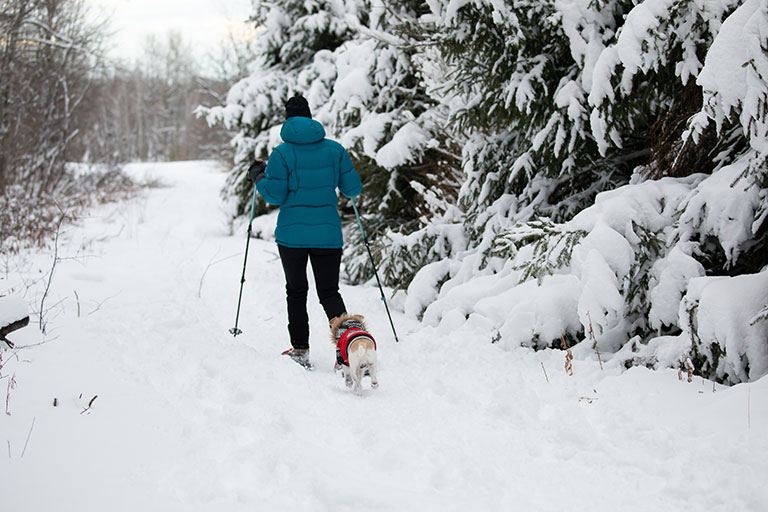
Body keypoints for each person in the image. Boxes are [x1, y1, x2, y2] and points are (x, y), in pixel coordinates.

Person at [248, 95, 362, 368]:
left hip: (292, 236)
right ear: (311, 118)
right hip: (327, 234)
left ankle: (300, 352)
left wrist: (258, 177)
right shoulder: (334, 150)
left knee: (296, 291)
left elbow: (274, 195)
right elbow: (353, 189)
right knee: (329, 292)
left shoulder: (281, 154)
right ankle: (346, 351)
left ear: (287, 120)